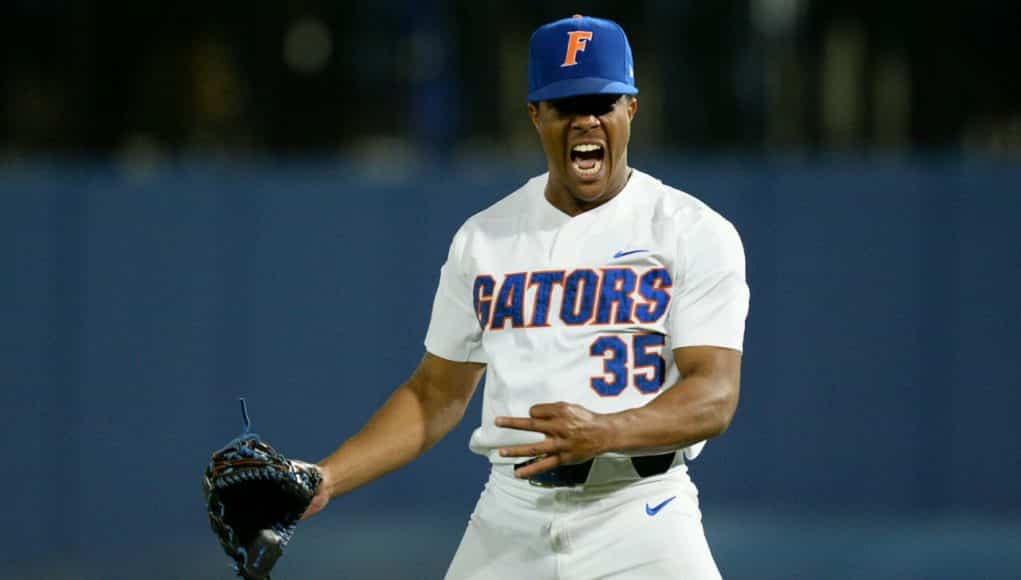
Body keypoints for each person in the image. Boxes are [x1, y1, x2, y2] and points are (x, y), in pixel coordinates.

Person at [303, 14, 749, 579]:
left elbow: (714, 393)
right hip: (511, 516)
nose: (586, 120)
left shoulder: (691, 230)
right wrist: (326, 478)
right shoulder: (484, 239)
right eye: (567, 106)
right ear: (536, 115)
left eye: (602, 103)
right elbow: (434, 394)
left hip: (641, 513)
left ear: (630, 109)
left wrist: (605, 431)